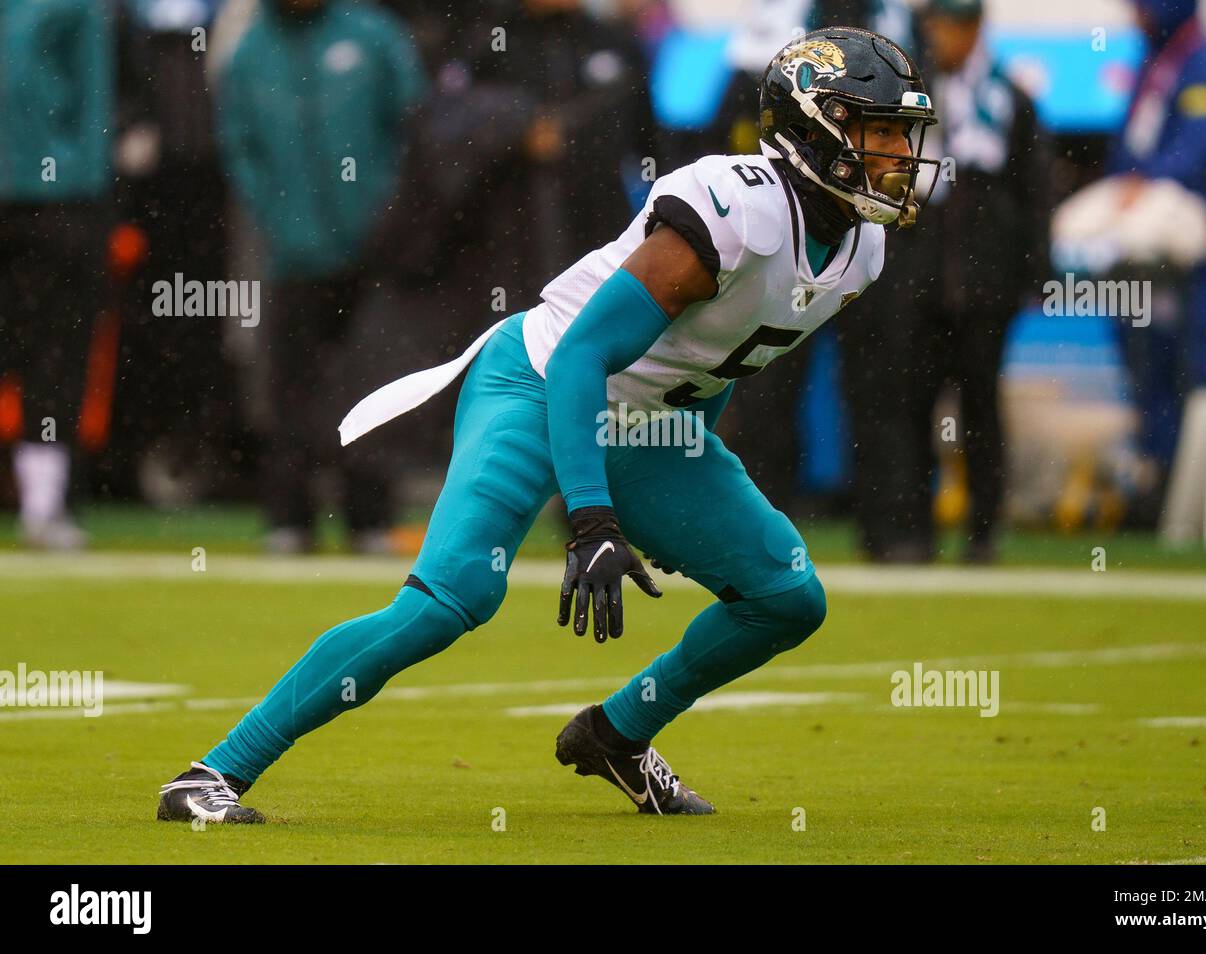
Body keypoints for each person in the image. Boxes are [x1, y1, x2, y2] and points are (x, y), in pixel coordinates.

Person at [156, 27, 938, 821]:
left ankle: (618, 734)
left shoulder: (861, 252)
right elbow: (580, 358)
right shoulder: (737, 210)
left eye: (902, 135)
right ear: (811, 128)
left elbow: (719, 359)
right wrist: (592, 518)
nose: (899, 156)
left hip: (649, 420)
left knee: (786, 597)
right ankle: (211, 775)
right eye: (879, 132)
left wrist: (684, 476)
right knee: (450, 599)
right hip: (536, 381)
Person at [843, 0, 1051, 563]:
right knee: (905, 406)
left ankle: (984, 533)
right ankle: (908, 531)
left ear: (977, 28)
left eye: (953, 25)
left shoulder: (1011, 100)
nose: (942, 37)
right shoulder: (905, 99)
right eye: (934, 24)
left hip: (983, 286)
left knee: (980, 406)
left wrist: (1030, 272)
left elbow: (1034, 192)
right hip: (915, 283)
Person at [216, 0, 426, 553]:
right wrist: (277, 219)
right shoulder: (250, 50)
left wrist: (391, 217)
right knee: (289, 388)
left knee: (374, 383)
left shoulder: (375, 35)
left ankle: (370, 517)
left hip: (375, 251)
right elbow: (240, 149)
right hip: (291, 253)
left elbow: (413, 129)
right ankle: (289, 518)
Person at [1106, 0, 1206, 525]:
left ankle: (1182, 495)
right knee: (1144, 362)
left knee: (1183, 365)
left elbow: (1202, 147)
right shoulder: (1153, 60)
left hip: (1186, 257)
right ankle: (1151, 482)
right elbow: (1129, 142)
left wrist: (1149, 180)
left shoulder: (1203, 64)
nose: (1133, 14)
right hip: (1143, 253)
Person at [0, 0, 113, 549]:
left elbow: (94, 104)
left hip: (54, 204)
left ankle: (45, 504)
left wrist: (77, 194)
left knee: (54, 355)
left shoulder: (73, 9)